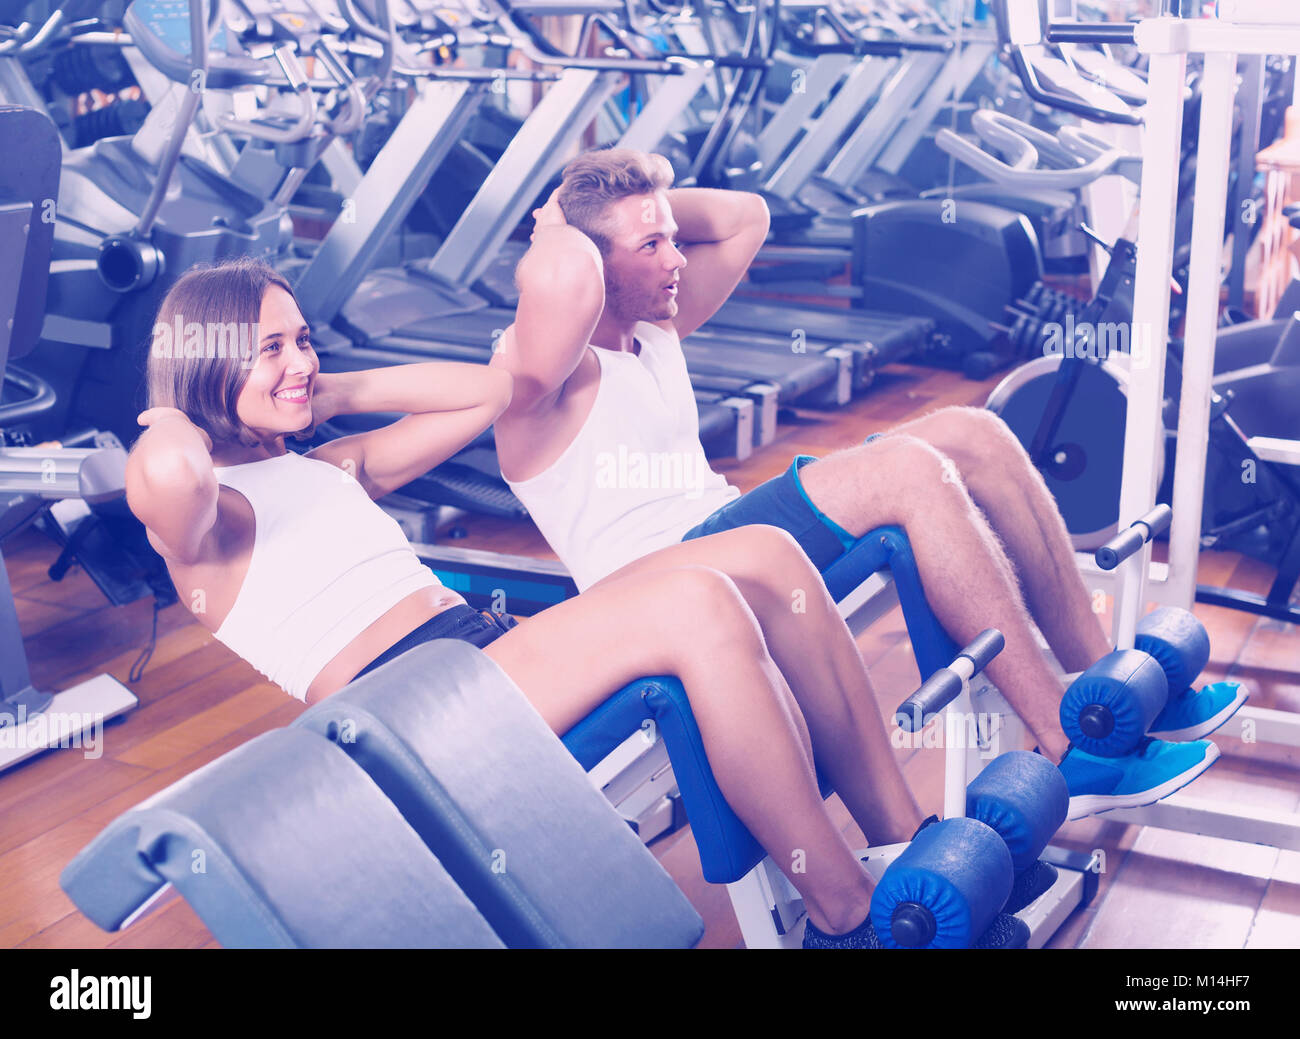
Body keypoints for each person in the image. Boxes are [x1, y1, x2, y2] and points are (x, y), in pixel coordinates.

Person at [125, 257, 1029, 949]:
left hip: (476, 655)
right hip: (404, 712)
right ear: (204, 363)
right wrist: (172, 408)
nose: (299, 362)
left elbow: (489, 391)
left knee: (763, 552)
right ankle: (847, 913)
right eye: (270, 349)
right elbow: (169, 470)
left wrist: (333, 387)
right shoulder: (209, 530)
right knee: (697, 608)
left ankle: (899, 839)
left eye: (302, 339)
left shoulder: (325, 465)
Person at [489, 148, 1246, 821]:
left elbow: (745, 217)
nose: (676, 258)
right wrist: (562, 224)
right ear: (591, 264)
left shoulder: (653, 330)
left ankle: (1105, 699)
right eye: (652, 246)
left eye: (672, 240)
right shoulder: (535, 378)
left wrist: (639, 201)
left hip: (731, 532)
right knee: (906, 472)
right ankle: (1068, 746)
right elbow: (560, 285)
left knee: (969, 432)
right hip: (667, 582)